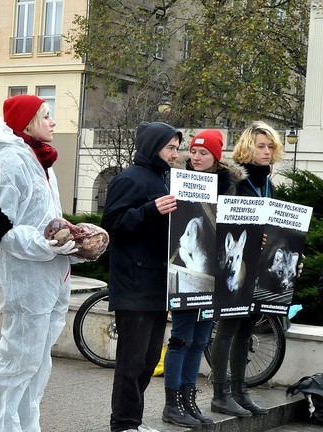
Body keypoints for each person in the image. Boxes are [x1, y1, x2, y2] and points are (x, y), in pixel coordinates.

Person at [0, 94, 79, 431]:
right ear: (27, 123)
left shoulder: (42, 162)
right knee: (17, 364)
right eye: (47, 116)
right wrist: (49, 244)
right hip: (26, 281)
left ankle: (26, 425)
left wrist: (72, 238)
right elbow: (2, 229)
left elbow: (45, 219)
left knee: (37, 364)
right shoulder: (9, 163)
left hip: (51, 279)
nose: (53, 123)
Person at [101, 121, 182, 432]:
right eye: (170, 148)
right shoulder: (129, 179)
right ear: (153, 147)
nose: (175, 154)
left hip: (157, 285)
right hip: (134, 285)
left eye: (176, 148)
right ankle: (123, 424)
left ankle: (131, 422)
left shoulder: (163, 180)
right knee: (132, 362)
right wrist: (151, 210)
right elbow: (113, 224)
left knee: (148, 361)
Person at [162, 130, 247, 427]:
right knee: (181, 339)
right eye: (193, 153)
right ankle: (172, 403)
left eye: (203, 153)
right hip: (188, 275)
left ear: (216, 157)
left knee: (199, 340)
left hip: (216, 277)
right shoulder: (178, 182)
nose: (196, 158)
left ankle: (190, 400)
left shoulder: (230, 188)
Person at [210, 121, 285, 417]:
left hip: (260, 264)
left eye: (270, 147)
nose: (267, 152)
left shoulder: (269, 183)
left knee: (245, 330)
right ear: (247, 146)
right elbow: (222, 221)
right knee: (228, 328)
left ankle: (240, 392)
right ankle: (220, 393)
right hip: (235, 264)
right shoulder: (235, 180)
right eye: (261, 146)